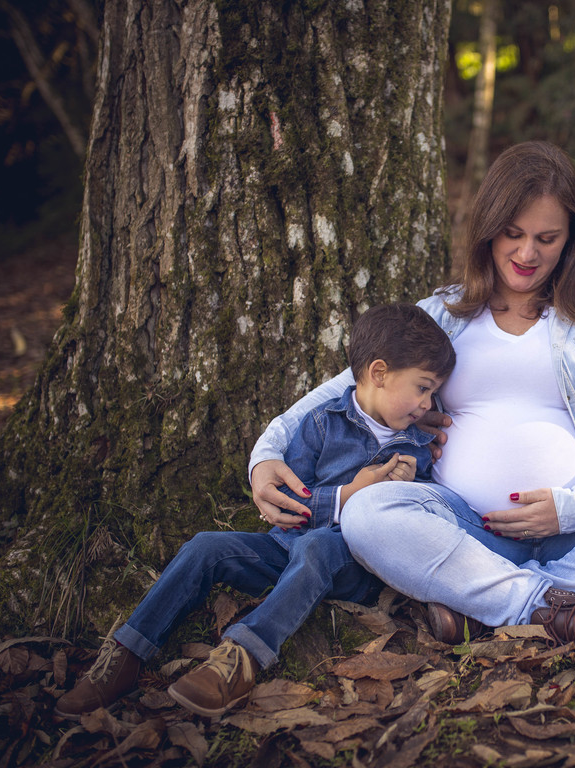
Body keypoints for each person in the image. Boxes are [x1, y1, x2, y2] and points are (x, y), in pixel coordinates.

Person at [249, 141, 575, 659]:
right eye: (513, 234)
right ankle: (551, 607)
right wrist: (266, 453)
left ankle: (486, 600)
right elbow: (346, 388)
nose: (527, 254)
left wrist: (574, 507)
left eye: (547, 238)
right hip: (463, 525)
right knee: (368, 514)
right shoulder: (440, 316)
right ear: (487, 231)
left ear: (571, 240)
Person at [55, 303, 456, 719]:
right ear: (378, 373)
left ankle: (239, 660)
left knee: (318, 547)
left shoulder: (414, 447)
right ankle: (127, 652)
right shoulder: (321, 423)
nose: (428, 404)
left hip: (348, 565)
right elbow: (291, 502)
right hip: (284, 550)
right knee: (205, 547)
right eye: (423, 388)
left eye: (432, 392)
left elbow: (419, 520)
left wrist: (405, 489)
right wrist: (348, 495)